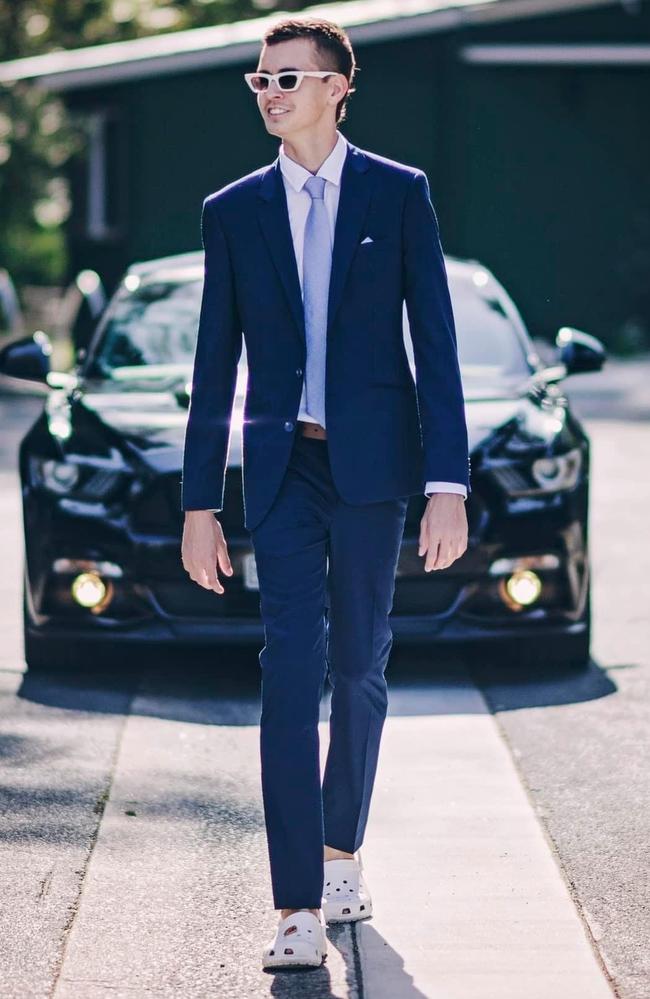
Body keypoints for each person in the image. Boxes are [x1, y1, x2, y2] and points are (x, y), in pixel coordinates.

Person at [180, 15, 471, 970]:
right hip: (282, 470)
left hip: (375, 472)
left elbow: (435, 345)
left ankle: (343, 849)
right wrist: (198, 504)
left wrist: (447, 483)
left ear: (340, 86)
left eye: (288, 79)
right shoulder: (233, 209)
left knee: (360, 668)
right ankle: (297, 905)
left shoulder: (399, 194)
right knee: (288, 675)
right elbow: (213, 362)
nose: (270, 93)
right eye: (259, 80)